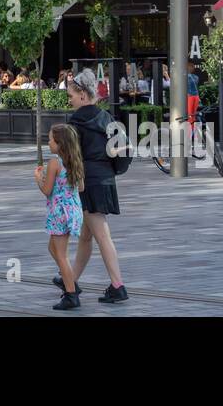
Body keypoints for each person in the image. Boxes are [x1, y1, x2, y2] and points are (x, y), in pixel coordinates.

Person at [62, 79, 127, 304]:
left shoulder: (75, 123)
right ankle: (70, 279)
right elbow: (120, 147)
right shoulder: (106, 117)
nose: (69, 101)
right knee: (86, 236)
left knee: (102, 236)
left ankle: (118, 285)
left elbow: (73, 158)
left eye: (70, 96)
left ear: (82, 95)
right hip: (106, 178)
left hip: (88, 182)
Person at [37, 123, 85, 311]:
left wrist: (38, 179)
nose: (48, 143)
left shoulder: (55, 162)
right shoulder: (75, 160)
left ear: (59, 143)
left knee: (61, 255)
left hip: (59, 213)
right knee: (53, 248)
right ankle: (69, 280)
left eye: (50, 139)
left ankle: (71, 293)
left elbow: (47, 190)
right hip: (73, 210)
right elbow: (81, 188)